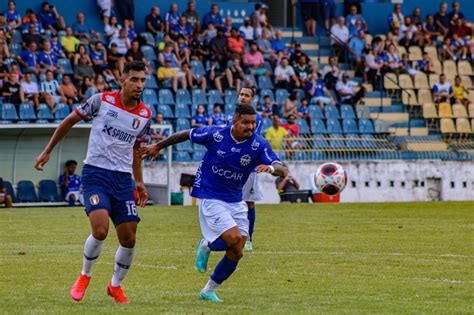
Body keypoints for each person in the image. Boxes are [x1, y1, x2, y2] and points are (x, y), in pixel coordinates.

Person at [138, 104, 286, 302]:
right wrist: (158, 146)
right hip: (211, 196)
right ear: (235, 121)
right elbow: (186, 134)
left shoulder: (258, 145)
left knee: (238, 250)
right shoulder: (215, 134)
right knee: (233, 238)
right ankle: (207, 245)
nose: (250, 127)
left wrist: (270, 168)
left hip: (236, 200)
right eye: (246, 122)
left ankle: (208, 289)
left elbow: (281, 168)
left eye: (253, 123)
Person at [35, 61, 151, 304]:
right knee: (100, 230)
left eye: (143, 80)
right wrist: (47, 151)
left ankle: (115, 286)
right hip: (95, 174)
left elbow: (137, 151)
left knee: (129, 239)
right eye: (135, 79)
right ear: (123, 80)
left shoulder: (145, 115)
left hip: (122, 179)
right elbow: (68, 121)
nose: (140, 84)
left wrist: (139, 182)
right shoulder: (101, 100)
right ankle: (84, 276)